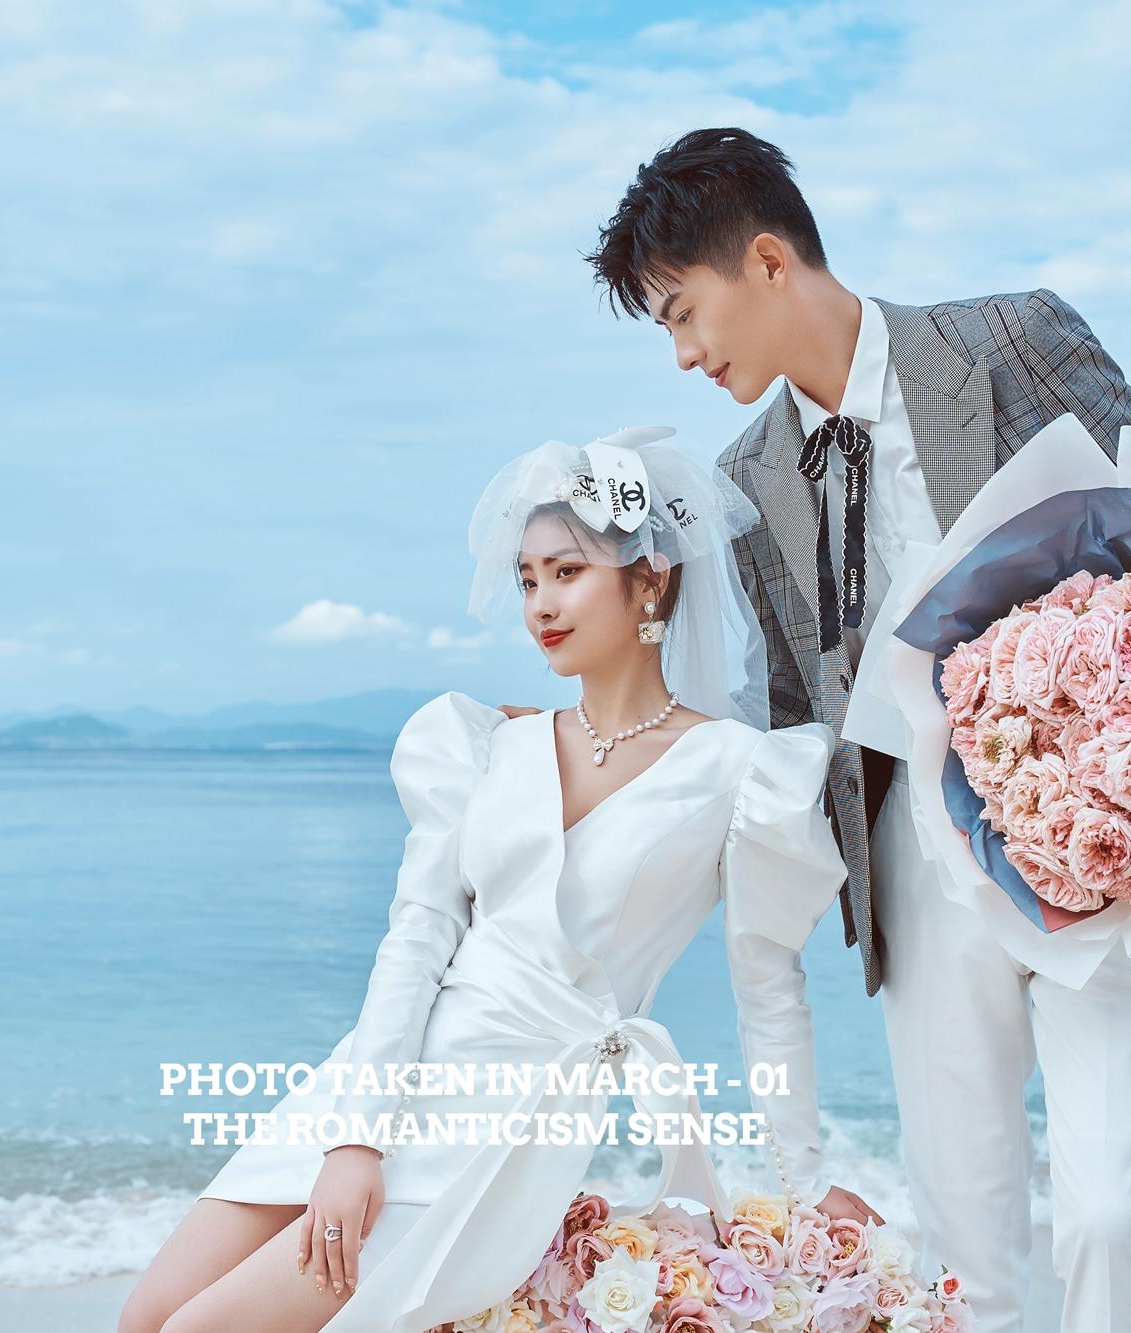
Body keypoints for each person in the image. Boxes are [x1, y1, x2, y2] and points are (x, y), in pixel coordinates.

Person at [118, 427, 877, 1333]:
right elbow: (416, 939)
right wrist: (355, 1135)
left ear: (650, 579)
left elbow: (768, 991)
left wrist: (804, 1182)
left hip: (505, 1125)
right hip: (378, 1079)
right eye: (526, 579)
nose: (540, 604)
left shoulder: (741, 772)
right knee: (146, 1317)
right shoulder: (486, 745)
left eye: (567, 572)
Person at [580, 126, 1131, 1333]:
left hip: (1081, 844)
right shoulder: (746, 478)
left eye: (682, 314)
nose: (683, 355)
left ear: (768, 262)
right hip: (907, 865)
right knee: (967, 1257)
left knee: (1109, 1213)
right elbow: (781, 715)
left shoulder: (1009, 342)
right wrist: (591, 734)